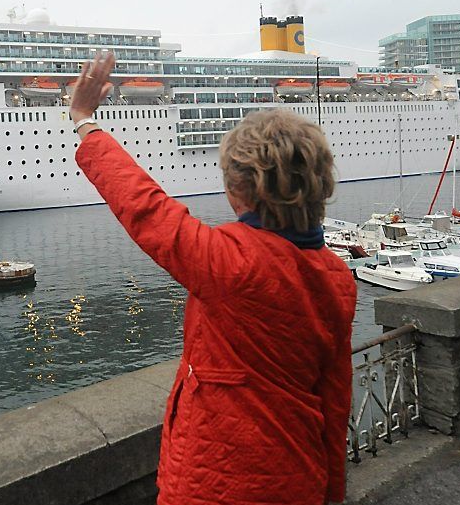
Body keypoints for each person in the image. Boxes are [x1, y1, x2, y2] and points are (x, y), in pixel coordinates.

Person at [70, 53, 357, 505]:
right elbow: (336, 394)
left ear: (239, 192)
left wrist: (85, 121)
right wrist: (331, 491)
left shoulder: (232, 264)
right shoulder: (339, 277)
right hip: (300, 476)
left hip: (215, 484)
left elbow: (146, 208)